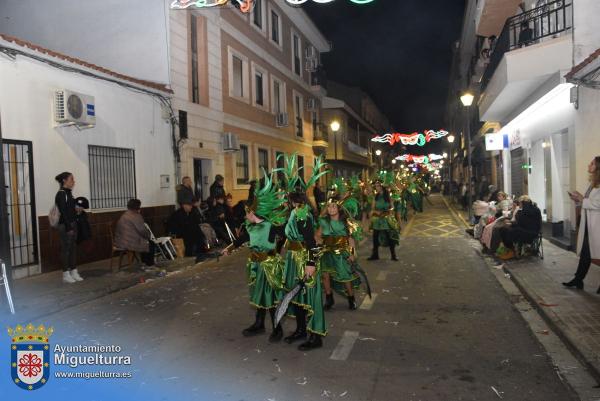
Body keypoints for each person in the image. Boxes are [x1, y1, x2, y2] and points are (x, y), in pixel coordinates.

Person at [221, 174, 287, 342]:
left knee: (270, 297)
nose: (246, 214)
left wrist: (280, 248)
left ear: (254, 212)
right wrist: (229, 248)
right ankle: (259, 324)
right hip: (256, 265)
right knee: (258, 295)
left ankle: (277, 328)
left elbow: (287, 233)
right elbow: (241, 239)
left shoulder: (271, 226)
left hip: (269, 265)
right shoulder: (251, 226)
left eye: (248, 212)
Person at [282, 191, 326, 350]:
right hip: (294, 259)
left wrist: (310, 263)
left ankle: (316, 336)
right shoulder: (295, 213)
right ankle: (301, 330)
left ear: (293, 201)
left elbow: (310, 240)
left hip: (304, 259)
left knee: (311, 297)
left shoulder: (301, 213)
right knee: (296, 295)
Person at [317, 195, 362, 311]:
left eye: (333, 207)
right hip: (326, 253)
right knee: (325, 276)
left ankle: (351, 298)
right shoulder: (323, 222)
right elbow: (317, 236)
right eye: (329, 207)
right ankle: (329, 298)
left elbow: (351, 239)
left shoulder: (345, 223)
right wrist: (319, 243)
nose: (331, 209)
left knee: (345, 276)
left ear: (339, 209)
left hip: (341, 254)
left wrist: (352, 254)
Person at [563, 156, 600, 293]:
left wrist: (582, 199)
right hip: (589, 225)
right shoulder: (593, 184)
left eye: (592, 163)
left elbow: (597, 203)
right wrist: (578, 200)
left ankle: (578, 279)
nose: (589, 165)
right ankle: (578, 279)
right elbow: (588, 202)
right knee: (586, 253)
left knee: (592, 252)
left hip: (596, 226)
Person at [54, 172, 84, 283]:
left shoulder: (69, 194)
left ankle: (74, 271)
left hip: (72, 224)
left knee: (72, 249)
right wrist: (68, 227)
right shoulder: (62, 194)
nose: (73, 181)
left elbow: (70, 211)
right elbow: (63, 213)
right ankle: (65, 274)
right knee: (65, 250)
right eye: (71, 179)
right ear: (64, 181)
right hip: (66, 225)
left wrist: (77, 211)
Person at [497, 195, 542, 260]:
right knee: (503, 229)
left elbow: (523, 223)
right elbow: (523, 223)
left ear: (523, 202)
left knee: (509, 231)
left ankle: (513, 251)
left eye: (520, 203)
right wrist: (512, 223)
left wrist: (512, 224)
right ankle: (511, 250)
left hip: (531, 232)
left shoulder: (529, 210)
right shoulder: (530, 209)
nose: (519, 204)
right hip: (527, 230)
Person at [114, 199, 155, 267]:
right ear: (138, 207)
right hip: (129, 242)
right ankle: (149, 264)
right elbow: (142, 230)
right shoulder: (136, 216)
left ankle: (144, 263)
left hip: (119, 241)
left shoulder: (125, 214)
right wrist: (148, 235)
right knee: (150, 244)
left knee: (144, 241)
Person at [368, 180, 400, 261]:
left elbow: (393, 207)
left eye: (378, 186)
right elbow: (372, 208)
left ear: (382, 186)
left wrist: (387, 211)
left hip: (386, 219)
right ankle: (375, 255)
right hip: (377, 220)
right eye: (375, 186)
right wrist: (375, 212)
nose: (376, 187)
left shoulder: (388, 196)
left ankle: (393, 255)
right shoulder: (376, 196)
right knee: (375, 238)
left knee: (390, 238)